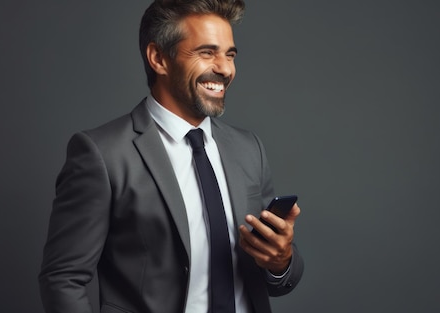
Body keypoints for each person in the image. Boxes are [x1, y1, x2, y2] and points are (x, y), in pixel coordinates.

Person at [38, 1, 304, 312]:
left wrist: (281, 260)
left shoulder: (248, 148)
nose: (225, 68)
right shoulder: (102, 154)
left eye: (229, 54)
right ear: (158, 58)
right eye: (207, 52)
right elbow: (62, 278)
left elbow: (278, 277)